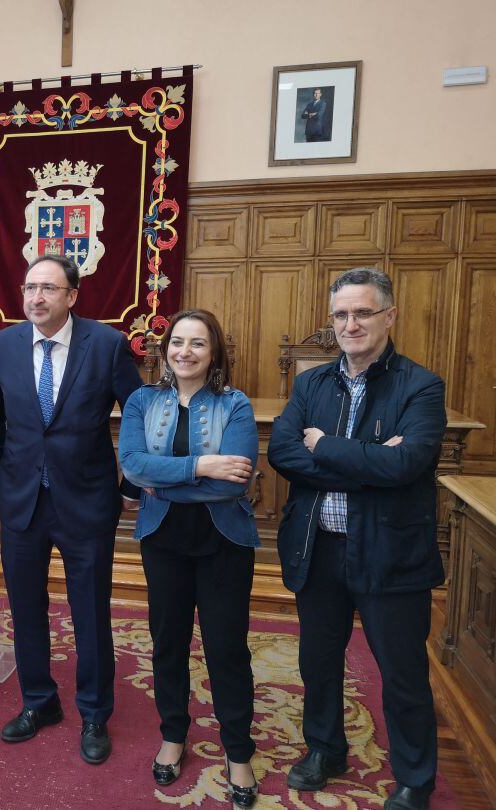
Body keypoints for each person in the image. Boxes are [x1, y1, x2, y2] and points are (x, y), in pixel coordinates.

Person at [268, 268, 445, 810]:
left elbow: (409, 462)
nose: (351, 324)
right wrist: (369, 462)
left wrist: (324, 447)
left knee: (402, 672)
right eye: (341, 314)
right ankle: (325, 749)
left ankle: (415, 776)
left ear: (389, 316)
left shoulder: (421, 385)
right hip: (319, 548)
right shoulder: (311, 384)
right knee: (318, 662)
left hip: (392, 554)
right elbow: (282, 453)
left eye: (363, 312)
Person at [0, 254, 142, 765]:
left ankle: (94, 712)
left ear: (72, 296)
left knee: (90, 613)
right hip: (23, 502)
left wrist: (131, 486)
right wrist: (1, 482)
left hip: (87, 502)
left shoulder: (107, 344)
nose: (36, 298)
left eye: (48, 289)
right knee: (25, 610)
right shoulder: (4, 345)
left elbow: (137, 414)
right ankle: (39, 703)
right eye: (30, 287)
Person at [118, 309, 260, 808]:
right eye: (177, 342)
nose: (185, 352)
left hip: (225, 543)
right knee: (168, 646)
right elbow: (132, 467)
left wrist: (167, 480)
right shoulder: (141, 400)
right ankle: (174, 735)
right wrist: (203, 464)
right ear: (165, 349)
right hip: (163, 541)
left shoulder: (236, 404)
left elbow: (233, 484)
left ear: (214, 352)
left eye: (198, 344)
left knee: (226, 650)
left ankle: (238, 752)